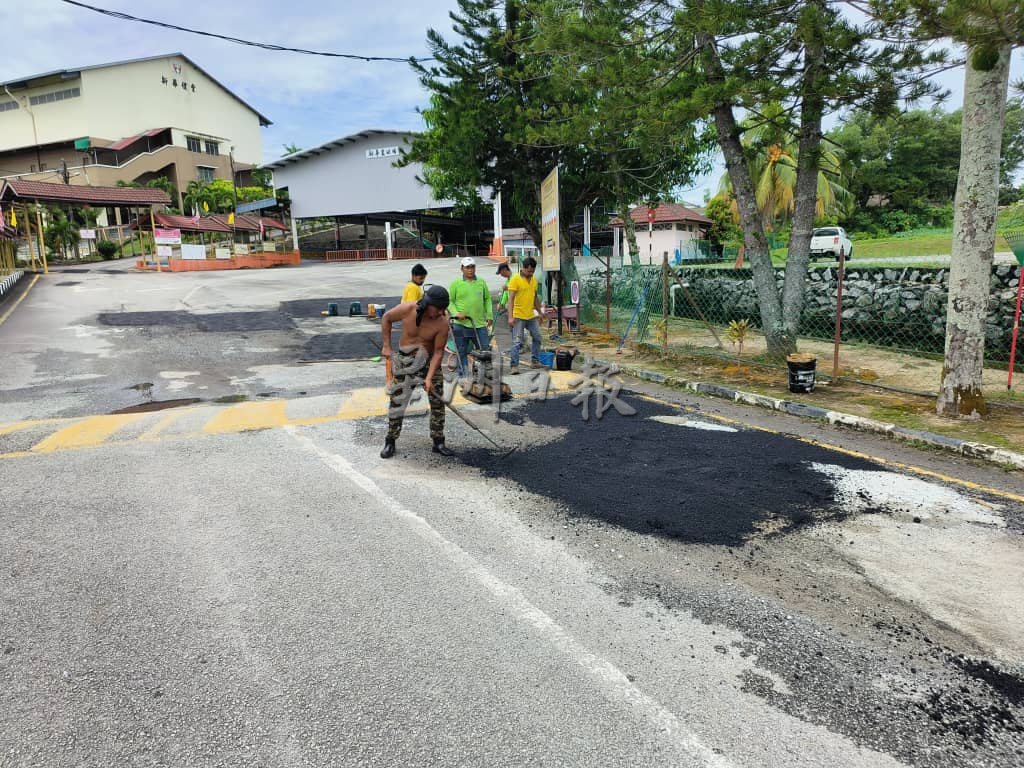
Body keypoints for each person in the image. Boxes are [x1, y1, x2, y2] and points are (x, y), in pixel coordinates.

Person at [380, 285, 453, 459]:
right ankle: (390, 440)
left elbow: (438, 352)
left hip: (428, 361)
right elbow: (386, 318)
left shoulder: (442, 323)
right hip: (406, 360)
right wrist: (387, 345)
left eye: (444, 309)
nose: (441, 312)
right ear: (427, 303)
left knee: (437, 401)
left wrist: (428, 378)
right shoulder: (408, 309)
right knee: (398, 402)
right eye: (438, 308)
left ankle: (438, 441)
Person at [448, 257, 493, 375]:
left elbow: (487, 299)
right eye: (467, 267)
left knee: (484, 352)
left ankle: (483, 377)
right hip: (460, 325)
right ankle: (463, 378)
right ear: (462, 269)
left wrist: (489, 315)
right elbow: (450, 301)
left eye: (472, 267)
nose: (470, 270)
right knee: (461, 352)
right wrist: (456, 313)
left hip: (479, 324)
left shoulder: (481, 282)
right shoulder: (456, 284)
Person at [506, 256, 545, 375]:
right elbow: (511, 300)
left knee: (537, 337)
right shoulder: (515, 279)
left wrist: (540, 313)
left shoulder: (534, 280)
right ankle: (514, 366)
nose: (530, 273)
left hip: (530, 315)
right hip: (518, 315)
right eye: (528, 271)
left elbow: (535, 299)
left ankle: (535, 361)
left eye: (532, 271)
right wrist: (510, 317)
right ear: (523, 268)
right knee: (517, 342)